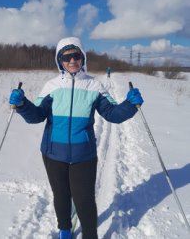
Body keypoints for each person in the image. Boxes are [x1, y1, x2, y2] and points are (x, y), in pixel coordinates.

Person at [9, 37, 143, 239]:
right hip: (53, 154)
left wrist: (130, 105)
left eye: (76, 55)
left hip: (83, 156)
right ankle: (64, 230)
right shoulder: (51, 86)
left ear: (82, 58)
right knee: (61, 197)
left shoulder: (94, 86)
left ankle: (90, 234)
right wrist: (21, 105)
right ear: (59, 60)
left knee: (84, 201)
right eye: (66, 56)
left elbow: (113, 114)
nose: (72, 60)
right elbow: (36, 115)